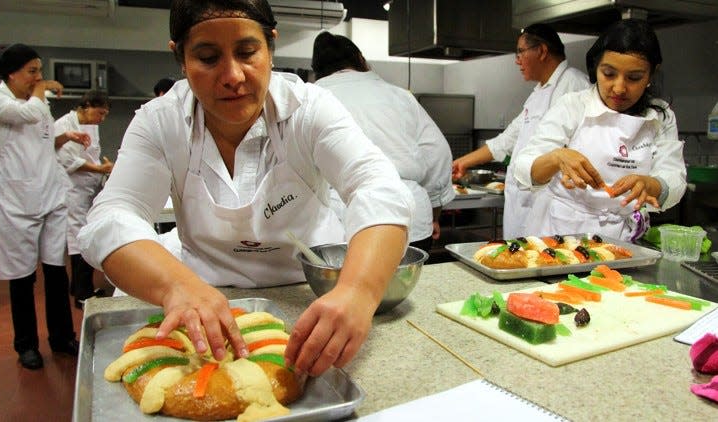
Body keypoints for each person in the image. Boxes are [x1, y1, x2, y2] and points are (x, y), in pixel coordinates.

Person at [78, 0, 413, 377]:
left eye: (247, 52)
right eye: (207, 58)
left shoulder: (309, 109)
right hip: (203, 303)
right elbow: (113, 215)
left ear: (271, 45)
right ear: (180, 58)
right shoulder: (161, 122)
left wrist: (358, 291)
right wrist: (176, 287)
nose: (233, 75)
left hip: (311, 300)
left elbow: (376, 185)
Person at [513, 19, 687, 241]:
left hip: (622, 239)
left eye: (634, 78)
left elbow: (674, 178)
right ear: (596, 68)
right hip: (560, 234)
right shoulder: (574, 105)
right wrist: (556, 158)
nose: (619, 88)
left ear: (652, 74)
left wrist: (652, 185)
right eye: (609, 74)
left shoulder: (661, 116)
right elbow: (524, 168)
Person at [0, 44, 89, 370]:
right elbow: (29, 115)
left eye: (39, 71)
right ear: (11, 73)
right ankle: (26, 345)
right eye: (32, 71)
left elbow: (40, 140)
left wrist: (64, 136)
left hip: (51, 193)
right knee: (22, 276)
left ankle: (62, 337)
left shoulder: (36, 102)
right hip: (17, 199)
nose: (38, 78)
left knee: (56, 271)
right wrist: (42, 91)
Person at [311, 31, 454, 253]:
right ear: (360, 58)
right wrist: (434, 212)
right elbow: (437, 153)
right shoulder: (400, 96)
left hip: (340, 222)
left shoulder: (310, 98)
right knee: (408, 287)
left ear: (317, 69)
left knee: (345, 287)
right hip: (410, 219)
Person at [452, 24, 590, 239]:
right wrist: (462, 163)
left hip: (548, 206)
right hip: (522, 203)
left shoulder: (574, 85)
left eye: (520, 52)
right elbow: (507, 140)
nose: (517, 60)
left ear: (542, 51)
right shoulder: (538, 94)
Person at [54, 90, 114, 308]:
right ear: (86, 106)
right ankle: (83, 294)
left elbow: (92, 154)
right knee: (80, 240)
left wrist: (102, 169)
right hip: (71, 191)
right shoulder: (64, 125)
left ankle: (77, 286)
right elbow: (69, 161)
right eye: (100, 113)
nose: (101, 119)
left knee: (82, 236)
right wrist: (100, 169)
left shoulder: (90, 127)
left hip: (87, 188)